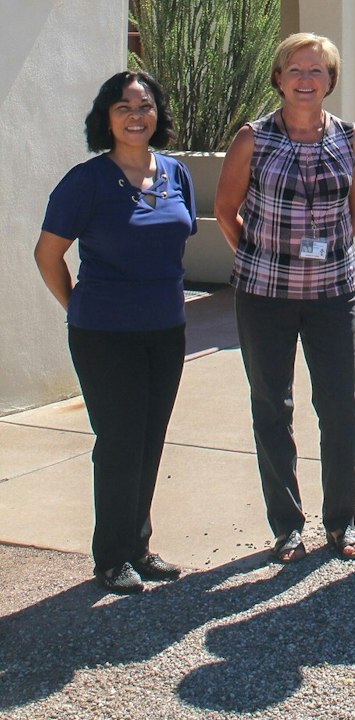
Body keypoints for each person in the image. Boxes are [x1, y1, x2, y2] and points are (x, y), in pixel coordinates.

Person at [34, 71, 197, 595]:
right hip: (105, 333)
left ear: (158, 115)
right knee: (120, 440)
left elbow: (176, 242)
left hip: (166, 329)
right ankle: (111, 556)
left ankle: (139, 546)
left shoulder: (175, 172)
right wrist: (78, 304)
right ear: (106, 117)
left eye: (145, 106)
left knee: (150, 439)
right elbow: (47, 254)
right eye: (124, 106)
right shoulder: (87, 181)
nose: (136, 115)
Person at [215, 33, 355, 563]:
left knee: (339, 407)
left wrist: (319, 258)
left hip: (332, 294)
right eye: (295, 70)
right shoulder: (252, 139)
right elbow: (225, 209)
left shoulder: (350, 139)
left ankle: (342, 522)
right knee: (271, 405)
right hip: (265, 296)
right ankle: (287, 526)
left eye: (318, 71)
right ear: (278, 78)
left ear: (331, 81)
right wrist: (264, 256)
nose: (306, 80)